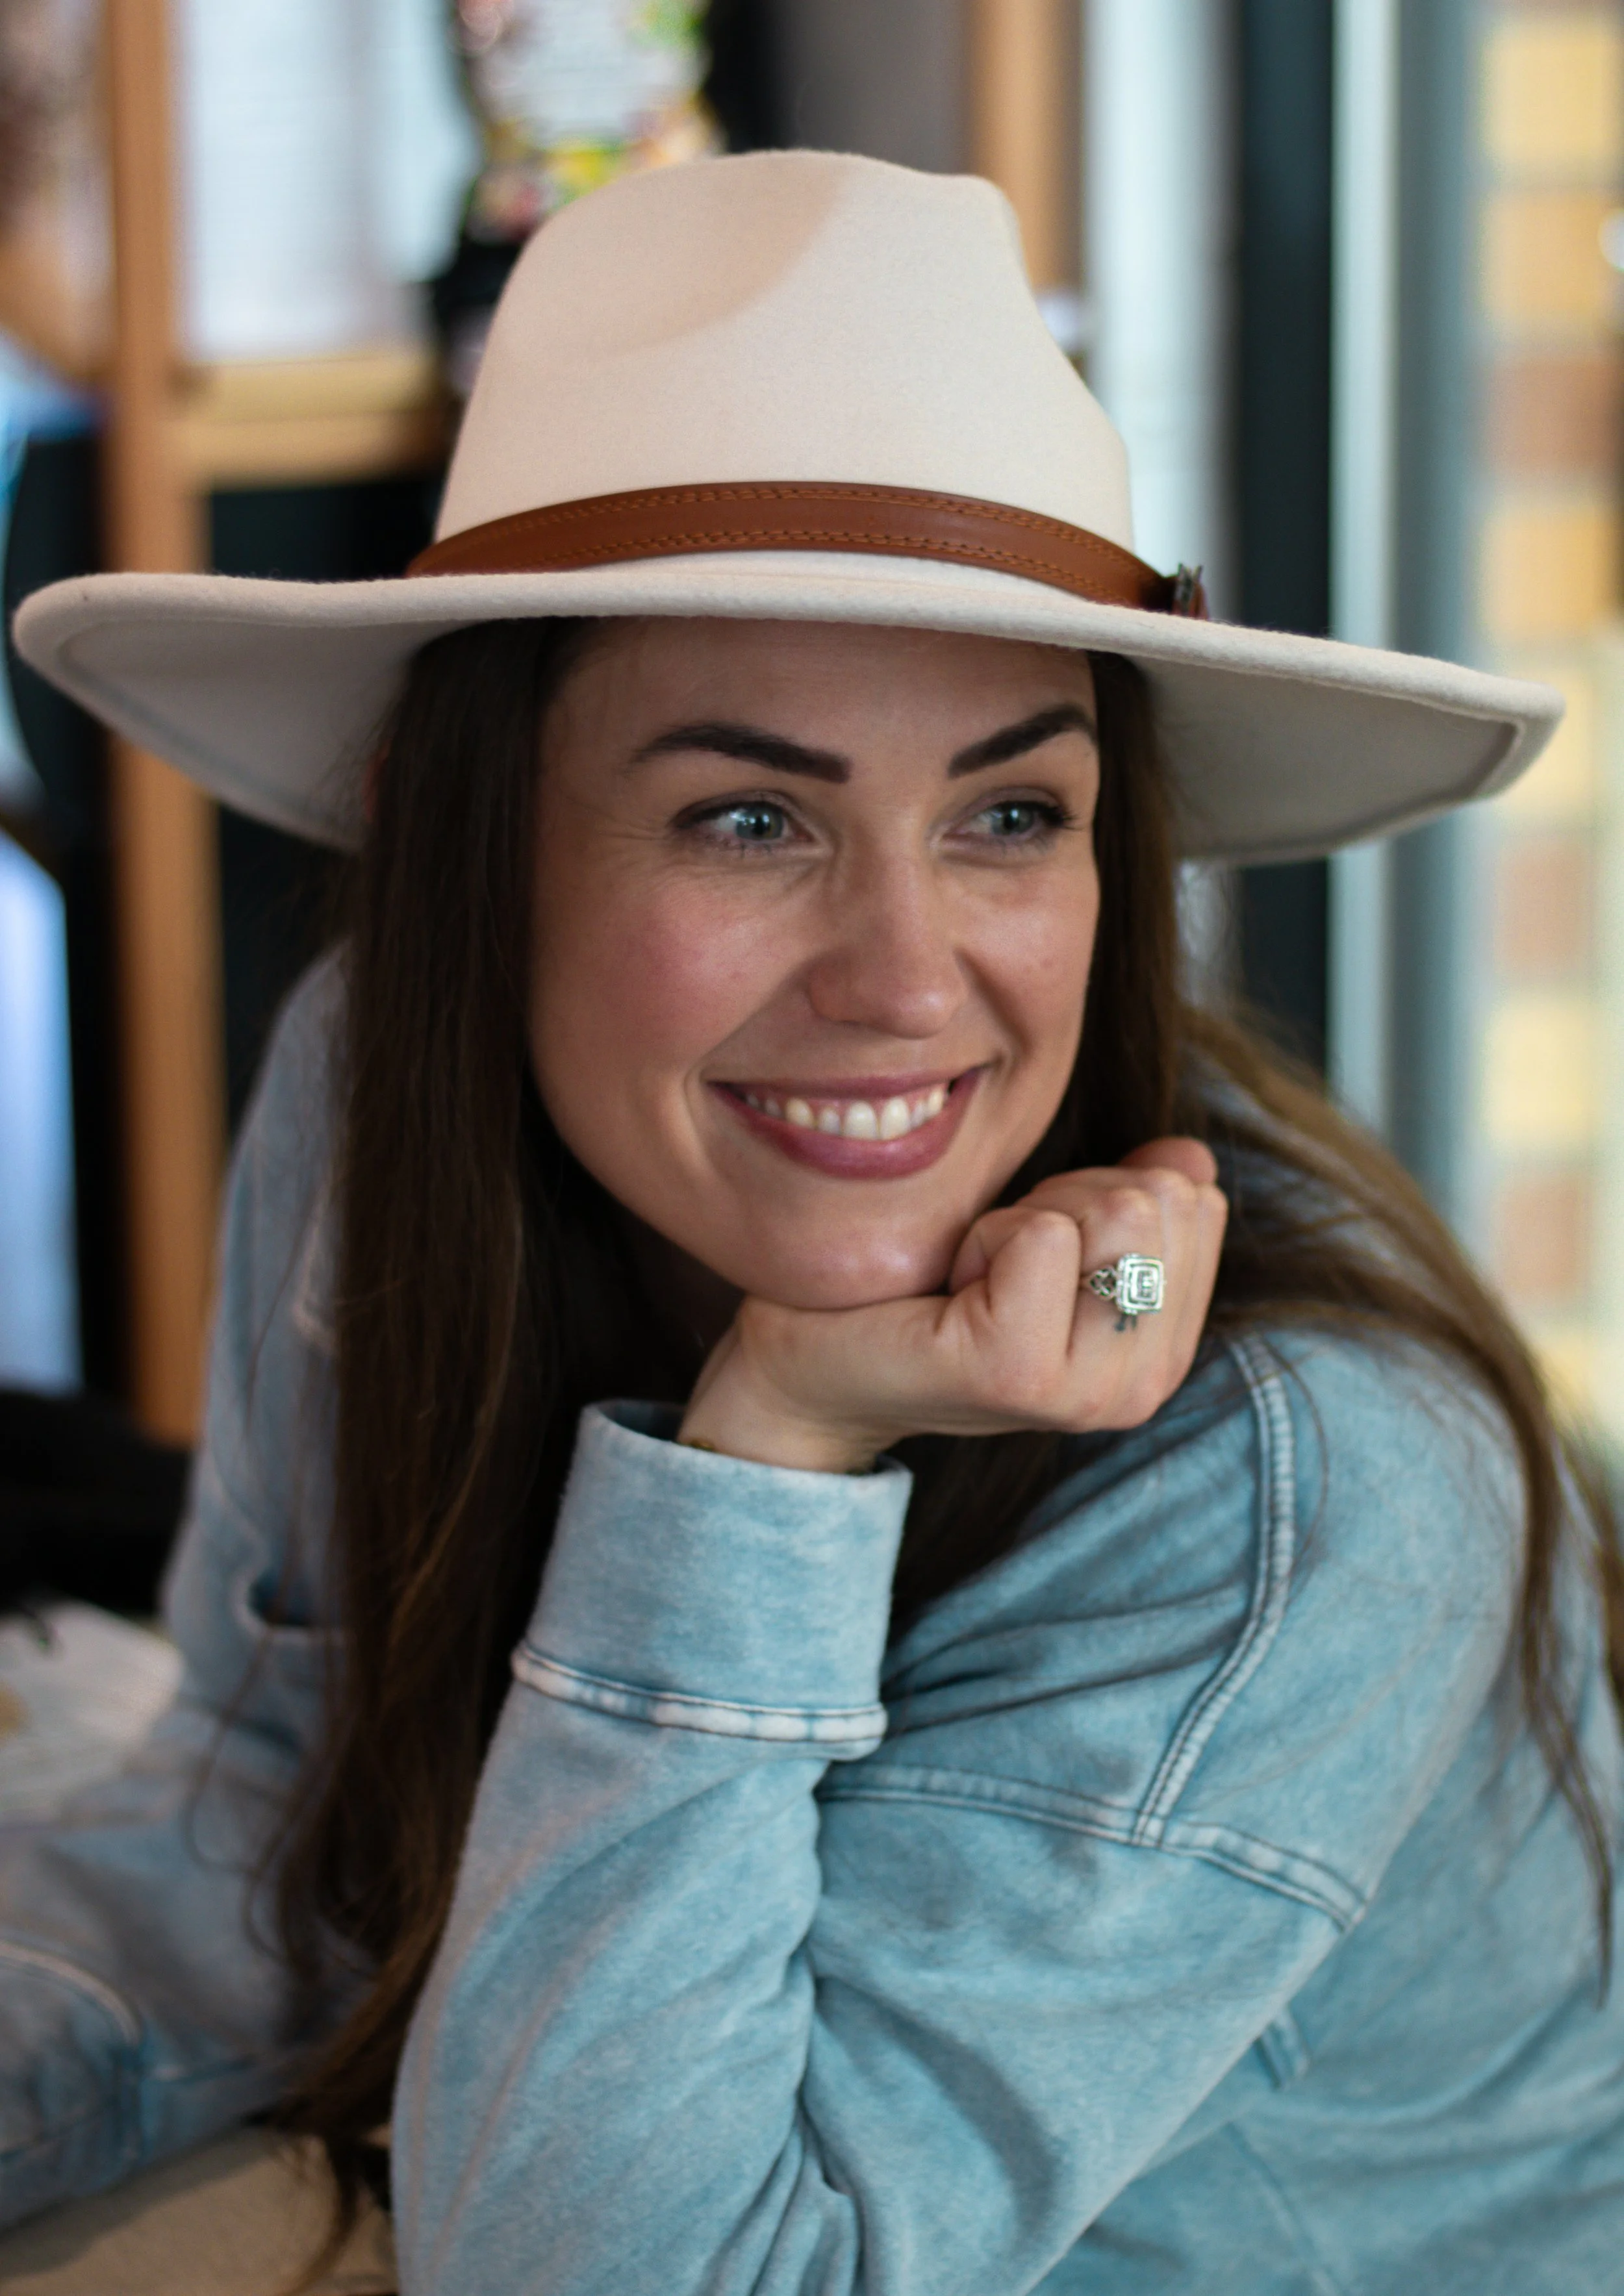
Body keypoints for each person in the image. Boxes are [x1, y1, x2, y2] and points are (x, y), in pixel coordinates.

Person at [7, 151, 1624, 2295]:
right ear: (459, 837)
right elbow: (270, 1817)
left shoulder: (1299, 1482)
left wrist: (757, 1454)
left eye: (1010, 815)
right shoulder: (375, 1085)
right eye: (747, 816)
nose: (901, 975)